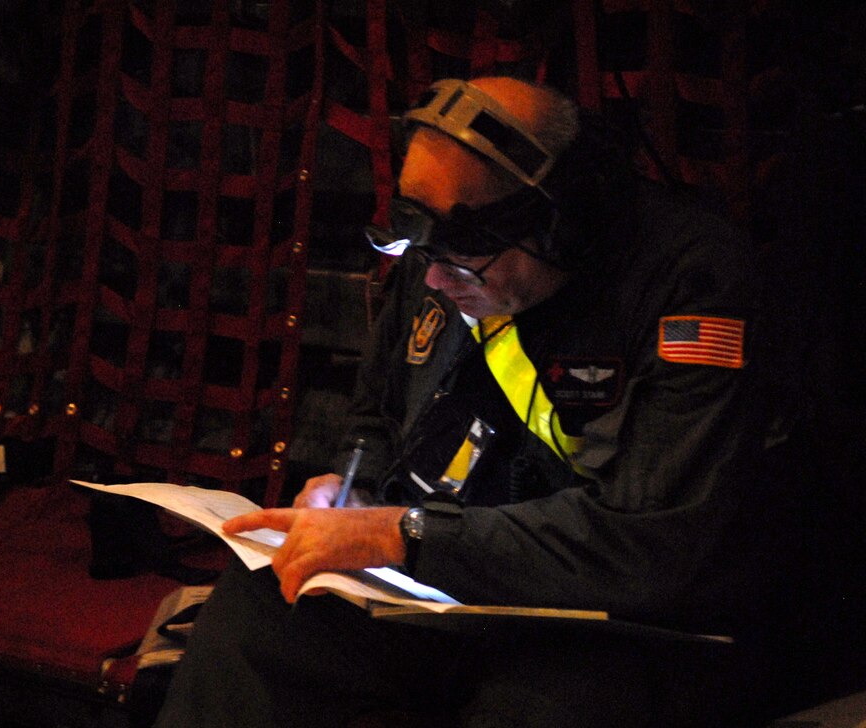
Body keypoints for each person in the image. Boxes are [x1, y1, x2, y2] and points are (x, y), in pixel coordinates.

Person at [154, 76, 794, 727]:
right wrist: (352, 492)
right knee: (259, 612)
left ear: (558, 227)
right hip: (449, 580)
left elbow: (647, 544)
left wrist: (403, 536)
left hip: (614, 621)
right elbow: (375, 417)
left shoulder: (689, 280)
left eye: (461, 259)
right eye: (420, 248)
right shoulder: (440, 247)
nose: (432, 277)